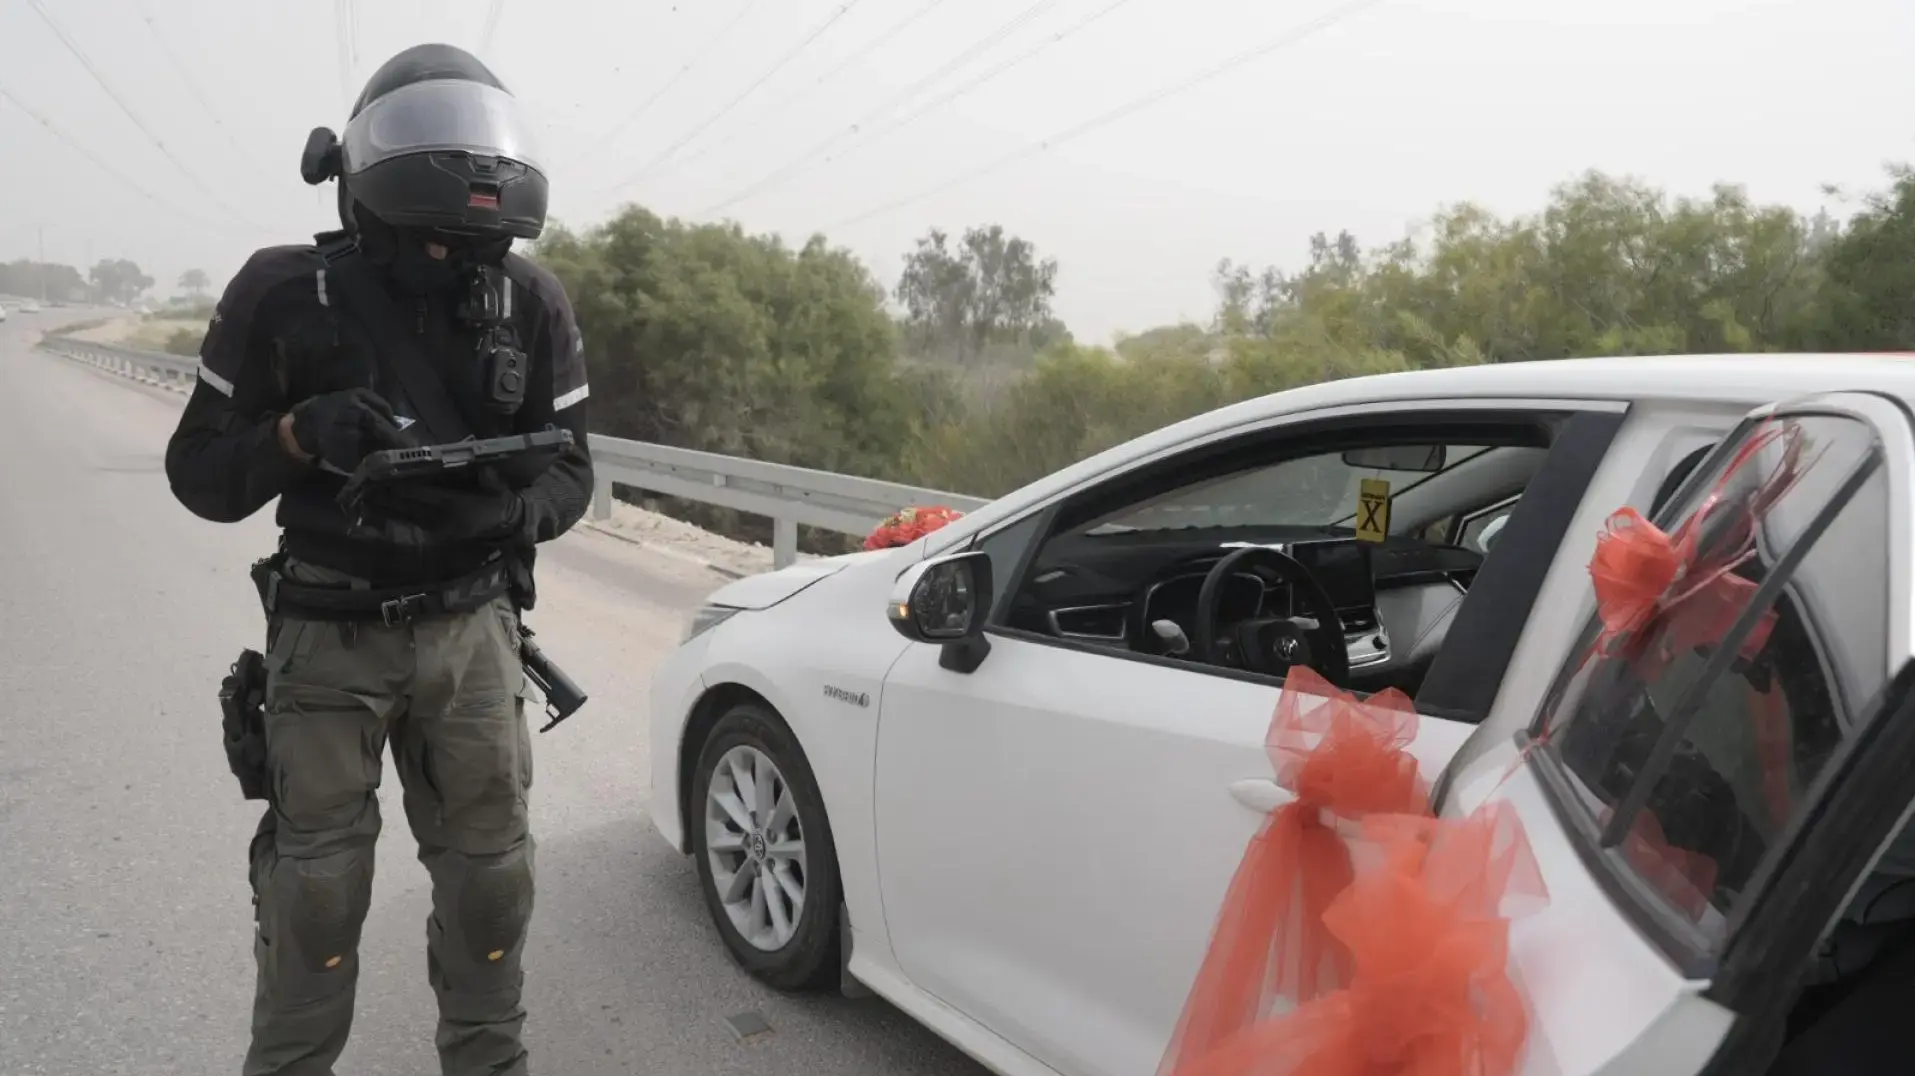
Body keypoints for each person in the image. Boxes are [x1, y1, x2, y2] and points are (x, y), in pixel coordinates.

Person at [164, 42, 592, 1076]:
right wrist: (299, 438)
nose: (451, 265)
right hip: (329, 629)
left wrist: (514, 514)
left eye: (467, 250)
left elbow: (572, 470)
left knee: (493, 881)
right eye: (430, 246)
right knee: (317, 895)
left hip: (473, 635)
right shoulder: (284, 292)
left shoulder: (529, 300)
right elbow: (198, 472)